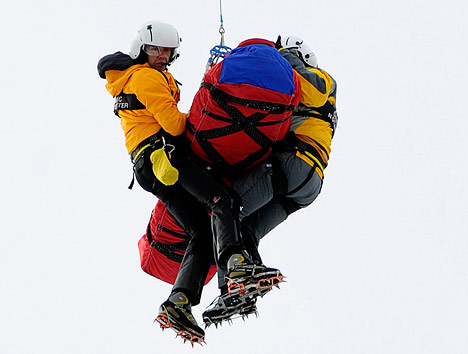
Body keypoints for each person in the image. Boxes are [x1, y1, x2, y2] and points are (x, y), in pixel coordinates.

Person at [97, 22, 283, 345]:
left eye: (168, 50)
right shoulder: (146, 77)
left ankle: (178, 303)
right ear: (143, 49)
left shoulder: (130, 80)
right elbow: (173, 123)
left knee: (200, 230)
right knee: (222, 201)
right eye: (157, 49)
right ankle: (235, 263)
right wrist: (204, 107)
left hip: (150, 166)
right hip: (166, 158)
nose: (164, 55)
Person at [202, 35, 338, 327]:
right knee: (246, 228)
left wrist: (279, 56)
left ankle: (233, 282)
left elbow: (311, 91)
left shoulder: (323, 81)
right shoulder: (302, 97)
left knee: (225, 207)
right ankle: (239, 290)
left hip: (294, 165)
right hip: (306, 182)